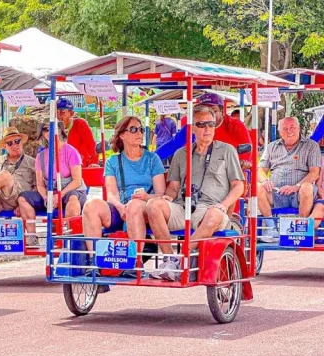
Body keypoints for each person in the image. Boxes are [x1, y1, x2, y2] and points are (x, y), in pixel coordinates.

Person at [147, 105, 244, 281]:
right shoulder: (181, 153)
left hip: (211, 208)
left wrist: (224, 205)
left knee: (214, 215)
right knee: (153, 205)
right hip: (183, 206)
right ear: (192, 128)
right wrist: (168, 196)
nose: (207, 129)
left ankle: (183, 259)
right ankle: (169, 260)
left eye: (211, 124)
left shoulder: (227, 150)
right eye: (201, 124)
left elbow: (238, 186)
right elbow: (174, 186)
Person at [82, 116, 165, 275]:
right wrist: (120, 207)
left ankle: (135, 263)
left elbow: (160, 193)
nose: (139, 133)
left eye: (141, 129)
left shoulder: (152, 159)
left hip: (144, 207)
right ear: (122, 135)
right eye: (134, 129)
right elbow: (111, 193)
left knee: (134, 205)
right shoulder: (113, 161)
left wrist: (145, 197)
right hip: (121, 207)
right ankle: (94, 261)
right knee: (91, 205)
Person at [18, 122, 86, 247]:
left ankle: (70, 239)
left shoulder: (71, 151)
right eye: (45, 129)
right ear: (43, 134)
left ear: (59, 131)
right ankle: (31, 236)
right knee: (23, 198)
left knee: (73, 200)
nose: (49, 131)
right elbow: (40, 184)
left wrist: (60, 195)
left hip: (70, 191)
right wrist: (46, 197)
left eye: (53, 128)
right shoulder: (41, 156)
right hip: (50, 192)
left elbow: (77, 181)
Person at [257, 117, 321, 241]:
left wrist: (296, 186)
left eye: (292, 127)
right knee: (258, 187)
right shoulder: (271, 147)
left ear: (299, 128)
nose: (289, 131)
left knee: (307, 187)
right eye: (285, 128)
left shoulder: (311, 146)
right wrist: (265, 180)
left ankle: (301, 228)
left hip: (299, 193)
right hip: (276, 192)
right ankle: (271, 228)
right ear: (280, 131)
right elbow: (260, 170)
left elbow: (314, 173)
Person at [180, 93, 252, 167]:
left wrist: (243, 161)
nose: (209, 115)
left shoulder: (235, 125)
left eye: (213, 111)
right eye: (204, 111)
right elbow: (180, 147)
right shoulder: (192, 125)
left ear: (222, 111)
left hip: (229, 167)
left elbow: (246, 149)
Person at [56, 98, 98, 166]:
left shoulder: (80, 124)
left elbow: (91, 147)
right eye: (56, 113)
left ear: (71, 113)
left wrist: (93, 164)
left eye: (62, 112)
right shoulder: (53, 128)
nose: (58, 116)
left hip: (81, 166)